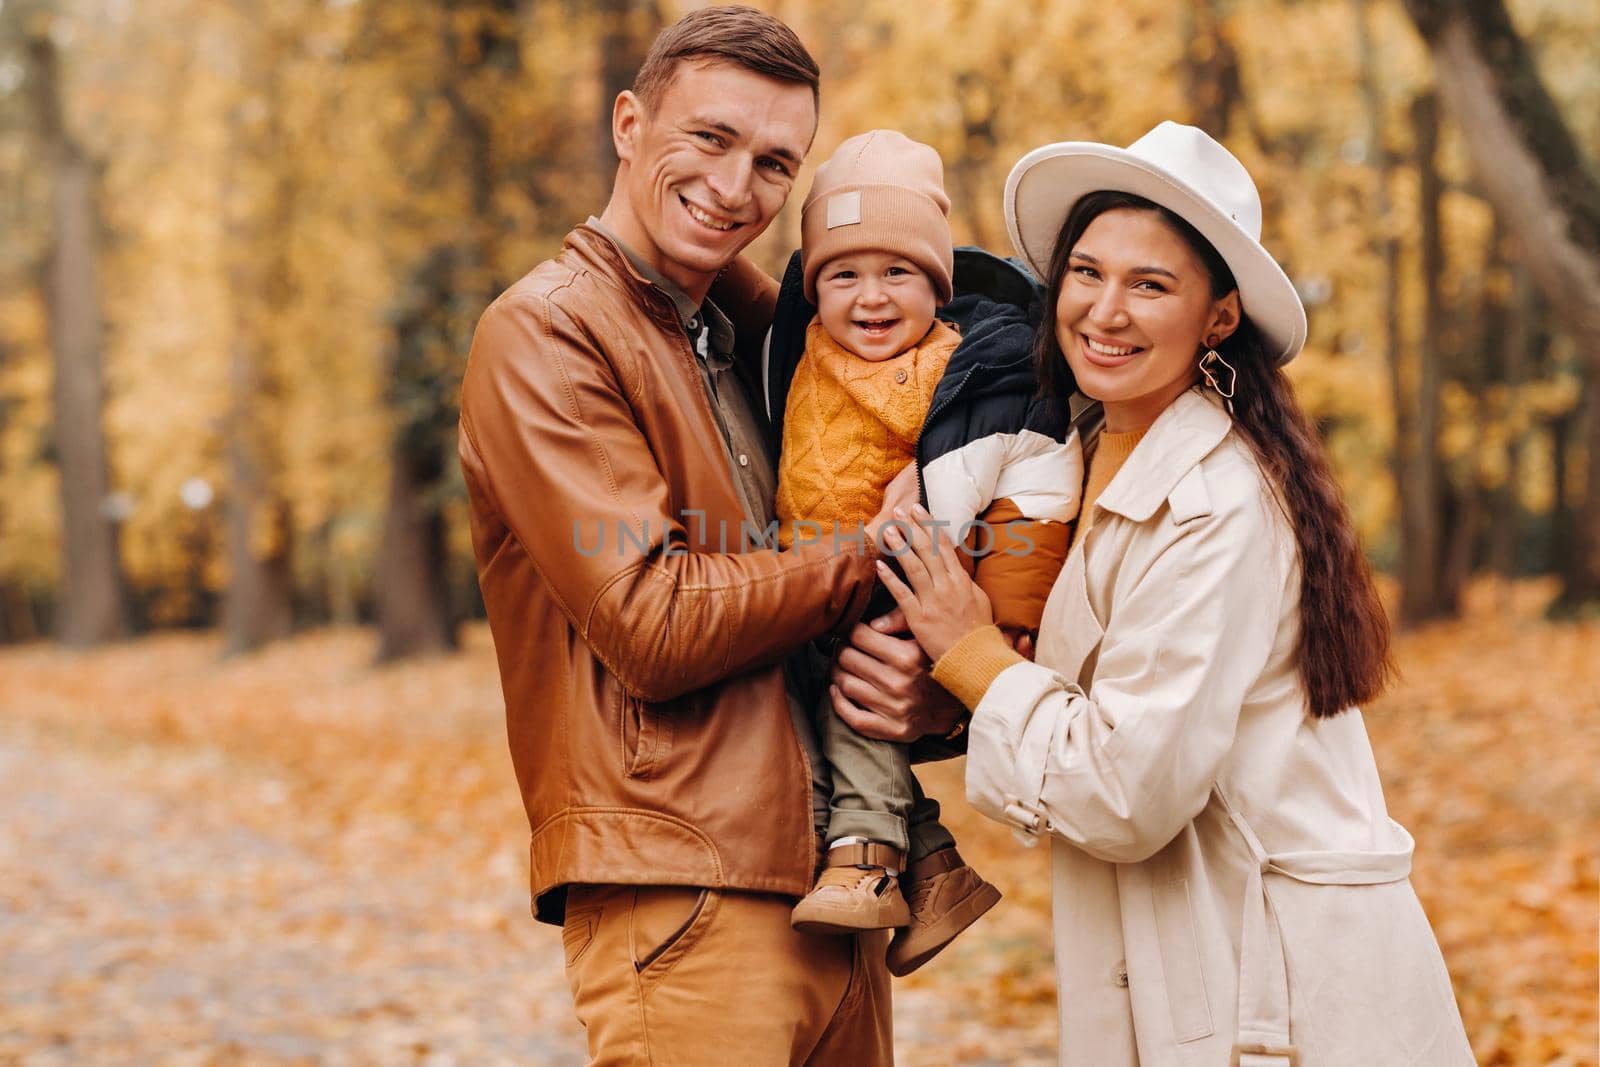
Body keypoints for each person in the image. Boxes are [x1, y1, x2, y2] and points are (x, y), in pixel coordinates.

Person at [844, 122, 1475, 1065]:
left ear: (1217, 317)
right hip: (1185, 954)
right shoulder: (1072, 458)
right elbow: (1084, 696)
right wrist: (954, 683)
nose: (1104, 311)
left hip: (1283, 987)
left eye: (1150, 285)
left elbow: (1130, 789)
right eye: (1087, 273)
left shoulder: (1216, 500)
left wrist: (970, 655)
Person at [457, 8, 922, 1064]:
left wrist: (922, 686)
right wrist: (877, 549)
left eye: (772, 162)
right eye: (708, 138)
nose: (734, 185)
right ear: (629, 124)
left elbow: (834, 604)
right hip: (685, 887)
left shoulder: (765, 336)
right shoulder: (547, 330)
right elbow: (651, 620)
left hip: (840, 881)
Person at [774, 130, 1082, 975]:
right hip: (816, 572)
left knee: (856, 700)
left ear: (937, 287)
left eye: (898, 273)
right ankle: (936, 867)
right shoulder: (800, 356)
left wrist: (977, 595)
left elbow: (1006, 471)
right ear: (813, 289)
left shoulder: (948, 364)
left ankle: (870, 856)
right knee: (819, 704)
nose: (870, 299)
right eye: (843, 274)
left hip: (907, 577)